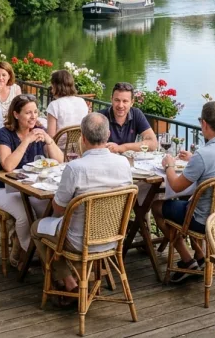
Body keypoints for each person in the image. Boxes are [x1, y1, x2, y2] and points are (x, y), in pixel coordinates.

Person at [31, 113, 132, 296]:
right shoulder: (123, 163)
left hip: (79, 242)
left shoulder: (75, 168)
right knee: (63, 226)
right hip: (114, 238)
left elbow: (59, 209)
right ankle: (78, 279)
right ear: (108, 135)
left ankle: (69, 283)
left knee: (37, 227)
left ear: (82, 138)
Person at [157, 101, 215, 281]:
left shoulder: (204, 154)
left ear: (204, 124)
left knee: (157, 206)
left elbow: (176, 186)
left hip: (204, 221)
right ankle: (200, 256)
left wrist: (169, 165)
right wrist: (194, 160)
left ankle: (187, 259)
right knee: (191, 203)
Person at [0, 95, 63, 267]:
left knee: (51, 209)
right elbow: (7, 165)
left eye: (35, 112)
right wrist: (27, 140)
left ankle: (36, 249)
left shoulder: (39, 130)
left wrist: (49, 140)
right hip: (2, 188)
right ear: (16, 114)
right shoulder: (5, 134)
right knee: (24, 216)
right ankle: (29, 253)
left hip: (30, 188)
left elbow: (60, 160)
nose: (33, 117)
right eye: (28, 113)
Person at [97, 82, 156, 154]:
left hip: (129, 162)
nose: (120, 105)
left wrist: (121, 148)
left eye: (125, 101)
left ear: (132, 102)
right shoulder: (99, 117)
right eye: (117, 100)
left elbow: (153, 144)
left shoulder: (136, 114)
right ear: (111, 99)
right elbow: (87, 144)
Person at [45, 69, 90, 141]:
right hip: (79, 146)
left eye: (52, 86)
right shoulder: (82, 101)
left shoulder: (54, 105)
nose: (51, 89)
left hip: (59, 148)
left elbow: (51, 137)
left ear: (56, 86)